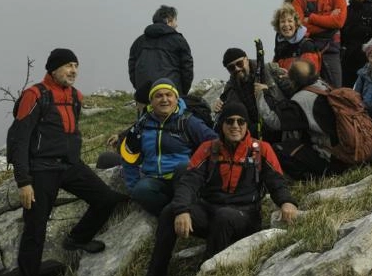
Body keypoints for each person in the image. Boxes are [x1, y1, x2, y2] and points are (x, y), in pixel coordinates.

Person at [8, 48, 126, 276]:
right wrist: (23, 181)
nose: (73, 70)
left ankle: (77, 238)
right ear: (53, 69)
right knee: (35, 228)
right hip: (41, 169)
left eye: (76, 66)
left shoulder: (75, 96)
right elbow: (19, 139)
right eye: (68, 65)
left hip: (71, 166)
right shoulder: (34, 95)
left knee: (107, 199)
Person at [144, 102, 298, 276]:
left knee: (224, 216)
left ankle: (208, 271)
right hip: (209, 211)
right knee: (169, 211)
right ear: (222, 124)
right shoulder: (208, 149)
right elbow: (189, 181)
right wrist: (182, 209)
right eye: (229, 121)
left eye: (241, 122)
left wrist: (286, 202)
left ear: (247, 125)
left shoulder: (261, 150)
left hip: (244, 217)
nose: (235, 126)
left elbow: (276, 181)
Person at [119, 80, 217, 216]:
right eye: (158, 96)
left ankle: (181, 209)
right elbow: (128, 156)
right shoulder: (141, 125)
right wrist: (133, 187)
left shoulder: (188, 121)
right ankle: (170, 213)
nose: (164, 99)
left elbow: (214, 143)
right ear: (151, 101)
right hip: (154, 181)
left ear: (176, 99)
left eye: (169, 95)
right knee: (140, 190)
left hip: (182, 179)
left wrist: (200, 166)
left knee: (184, 167)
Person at [291, 0, 347, 87]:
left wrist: (310, 17)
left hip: (331, 52)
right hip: (307, 52)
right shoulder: (298, 1)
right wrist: (328, 20)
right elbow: (299, 28)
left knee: (335, 93)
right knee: (307, 91)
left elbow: (339, 22)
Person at [215, 47, 288, 141]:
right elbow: (230, 113)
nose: (237, 69)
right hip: (256, 135)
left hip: (282, 127)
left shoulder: (270, 70)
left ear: (246, 59)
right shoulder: (230, 89)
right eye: (231, 67)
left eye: (239, 63)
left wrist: (267, 92)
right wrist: (218, 107)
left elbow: (291, 92)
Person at [128, 5, 195, 106]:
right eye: (175, 20)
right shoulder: (179, 40)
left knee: (146, 121)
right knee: (171, 121)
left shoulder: (139, 42)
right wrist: (180, 93)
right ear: (168, 20)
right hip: (169, 95)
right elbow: (187, 69)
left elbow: (132, 69)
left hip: (144, 96)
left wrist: (140, 89)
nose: (176, 25)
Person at [270, 4, 322, 74]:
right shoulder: (280, 46)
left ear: (296, 24)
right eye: (282, 21)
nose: (286, 24)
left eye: (290, 21)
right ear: (278, 25)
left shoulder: (307, 45)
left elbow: (310, 75)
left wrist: (289, 76)